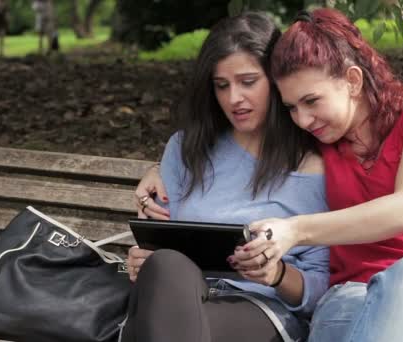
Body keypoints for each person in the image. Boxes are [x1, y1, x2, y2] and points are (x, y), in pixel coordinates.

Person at [229, 8, 403, 342]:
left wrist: (297, 230)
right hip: (354, 298)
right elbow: (236, 138)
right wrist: (161, 172)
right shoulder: (320, 146)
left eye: (311, 101)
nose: (302, 119)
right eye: (291, 107)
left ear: (352, 80)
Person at [122, 12, 329, 342]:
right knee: (166, 268)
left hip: (260, 310)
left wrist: (275, 274)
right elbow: (164, 243)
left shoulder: (314, 169)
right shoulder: (186, 149)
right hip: (176, 299)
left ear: (276, 81)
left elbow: (322, 288)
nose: (234, 98)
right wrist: (143, 262)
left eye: (248, 82)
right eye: (222, 86)